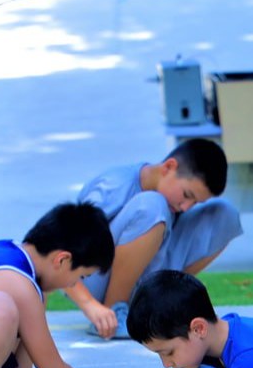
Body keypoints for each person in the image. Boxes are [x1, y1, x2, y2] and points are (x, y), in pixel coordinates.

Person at [65, 138, 243, 339]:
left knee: (226, 214)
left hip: (146, 275)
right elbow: (58, 249)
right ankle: (113, 312)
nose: (186, 207)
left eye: (195, 202)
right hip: (92, 278)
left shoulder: (174, 203)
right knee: (152, 206)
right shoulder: (112, 186)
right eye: (187, 194)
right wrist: (90, 305)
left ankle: (159, 301)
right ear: (168, 167)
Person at [0, 202, 132, 368]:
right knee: (3, 312)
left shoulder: (11, 251)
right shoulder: (20, 285)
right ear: (62, 259)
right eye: (81, 276)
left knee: (34, 299)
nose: (73, 284)